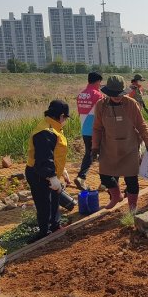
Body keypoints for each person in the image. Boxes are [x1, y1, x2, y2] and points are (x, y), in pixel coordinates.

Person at [91, 75, 148, 211]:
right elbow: (97, 128)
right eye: (114, 95)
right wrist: (95, 147)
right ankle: (116, 196)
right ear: (108, 93)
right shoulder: (101, 105)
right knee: (105, 176)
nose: (117, 97)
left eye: (119, 94)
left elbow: (141, 125)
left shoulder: (131, 104)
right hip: (109, 148)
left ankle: (132, 207)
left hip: (129, 147)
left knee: (131, 180)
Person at [25, 100, 72, 240]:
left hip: (49, 172)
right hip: (39, 174)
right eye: (66, 118)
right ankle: (44, 233)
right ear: (62, 116)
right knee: (44, 204)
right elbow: (44, 158)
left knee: (54, 200)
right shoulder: (46, 132)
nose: (65, 121)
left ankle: (55, 226)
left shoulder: (54, 128)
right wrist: (52, 177)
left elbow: (55, 153)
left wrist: (62, 171)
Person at [75, 72, 104, 191]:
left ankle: (81, 177)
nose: (100, 84)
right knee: (104, 154)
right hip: (96, 129)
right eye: (100, 82)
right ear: (97, 81)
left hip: (84, 129)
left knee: (89, 153)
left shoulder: (81, 94)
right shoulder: (98, 95)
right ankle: (104, 182)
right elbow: (102, 113)